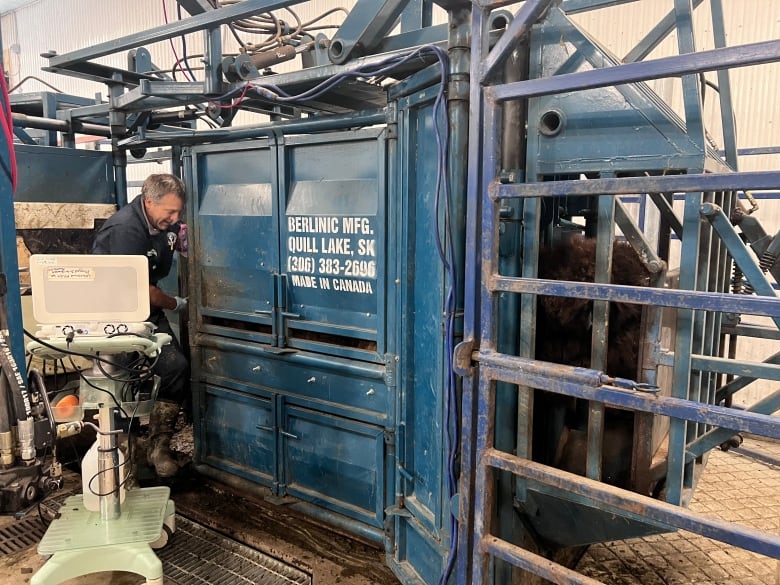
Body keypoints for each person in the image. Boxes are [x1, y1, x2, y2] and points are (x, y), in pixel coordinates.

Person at [92, 173, 190, 479]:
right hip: (115, 313)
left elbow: (174, 238)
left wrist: (182, 237)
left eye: (178, 213)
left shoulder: (162, 222)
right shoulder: (126, 229)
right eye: (170, 213)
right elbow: (138, 289)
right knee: (123, 378)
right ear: (149, 202)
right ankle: (127, 451)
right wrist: (175, 303)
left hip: (145, 310)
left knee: (175, 367)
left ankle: (158, 446)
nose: (174, 219)